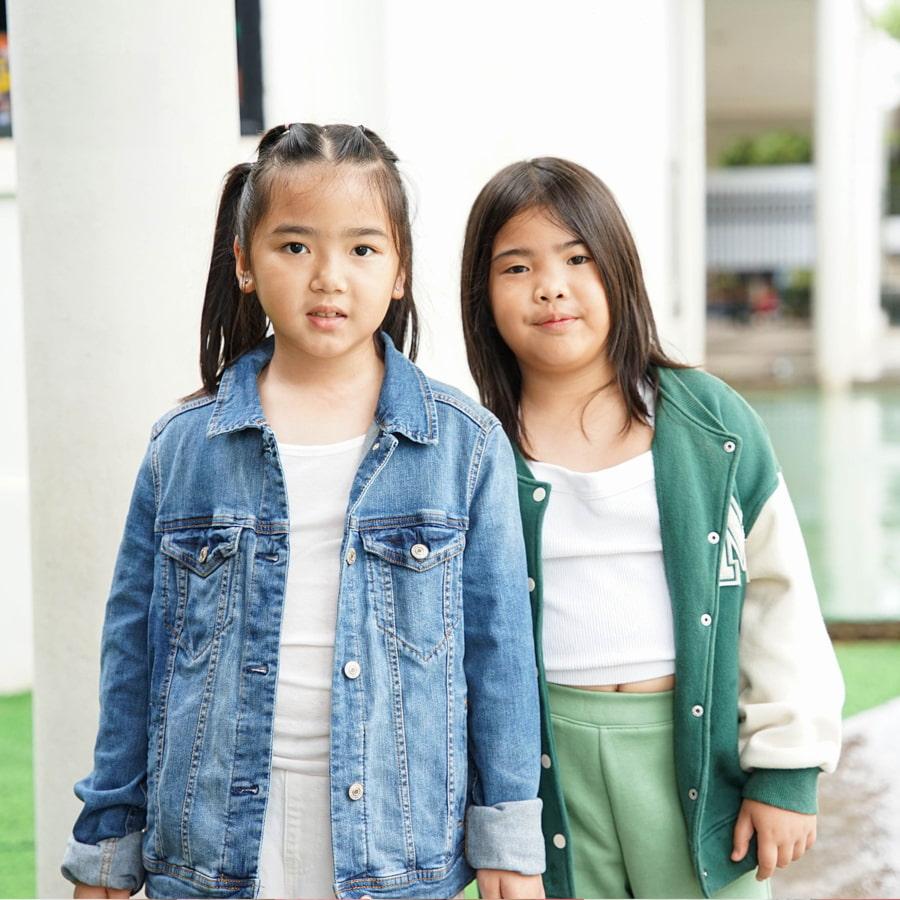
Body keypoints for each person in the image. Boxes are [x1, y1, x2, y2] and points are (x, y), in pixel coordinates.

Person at [60, 123, 546, 900]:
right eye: (295, 247)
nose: (328, 277)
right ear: (244, 263)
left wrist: (510, 843)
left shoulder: (465, 447)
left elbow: (500, 658)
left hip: (397, 837)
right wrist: (109, 849)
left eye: (361, 250)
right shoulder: (182, 448)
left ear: (399, 272)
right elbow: (134, 660)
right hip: (214, 838)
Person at [459, 157, 844, 899]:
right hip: (548, 767)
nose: (551, 286)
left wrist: (788, 765)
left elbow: (777, 595)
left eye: (578, 258)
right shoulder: (473, 447)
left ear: (620, 271)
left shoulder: (710, 421)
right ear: (482, 293)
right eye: (516, 266)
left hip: (694, 756)